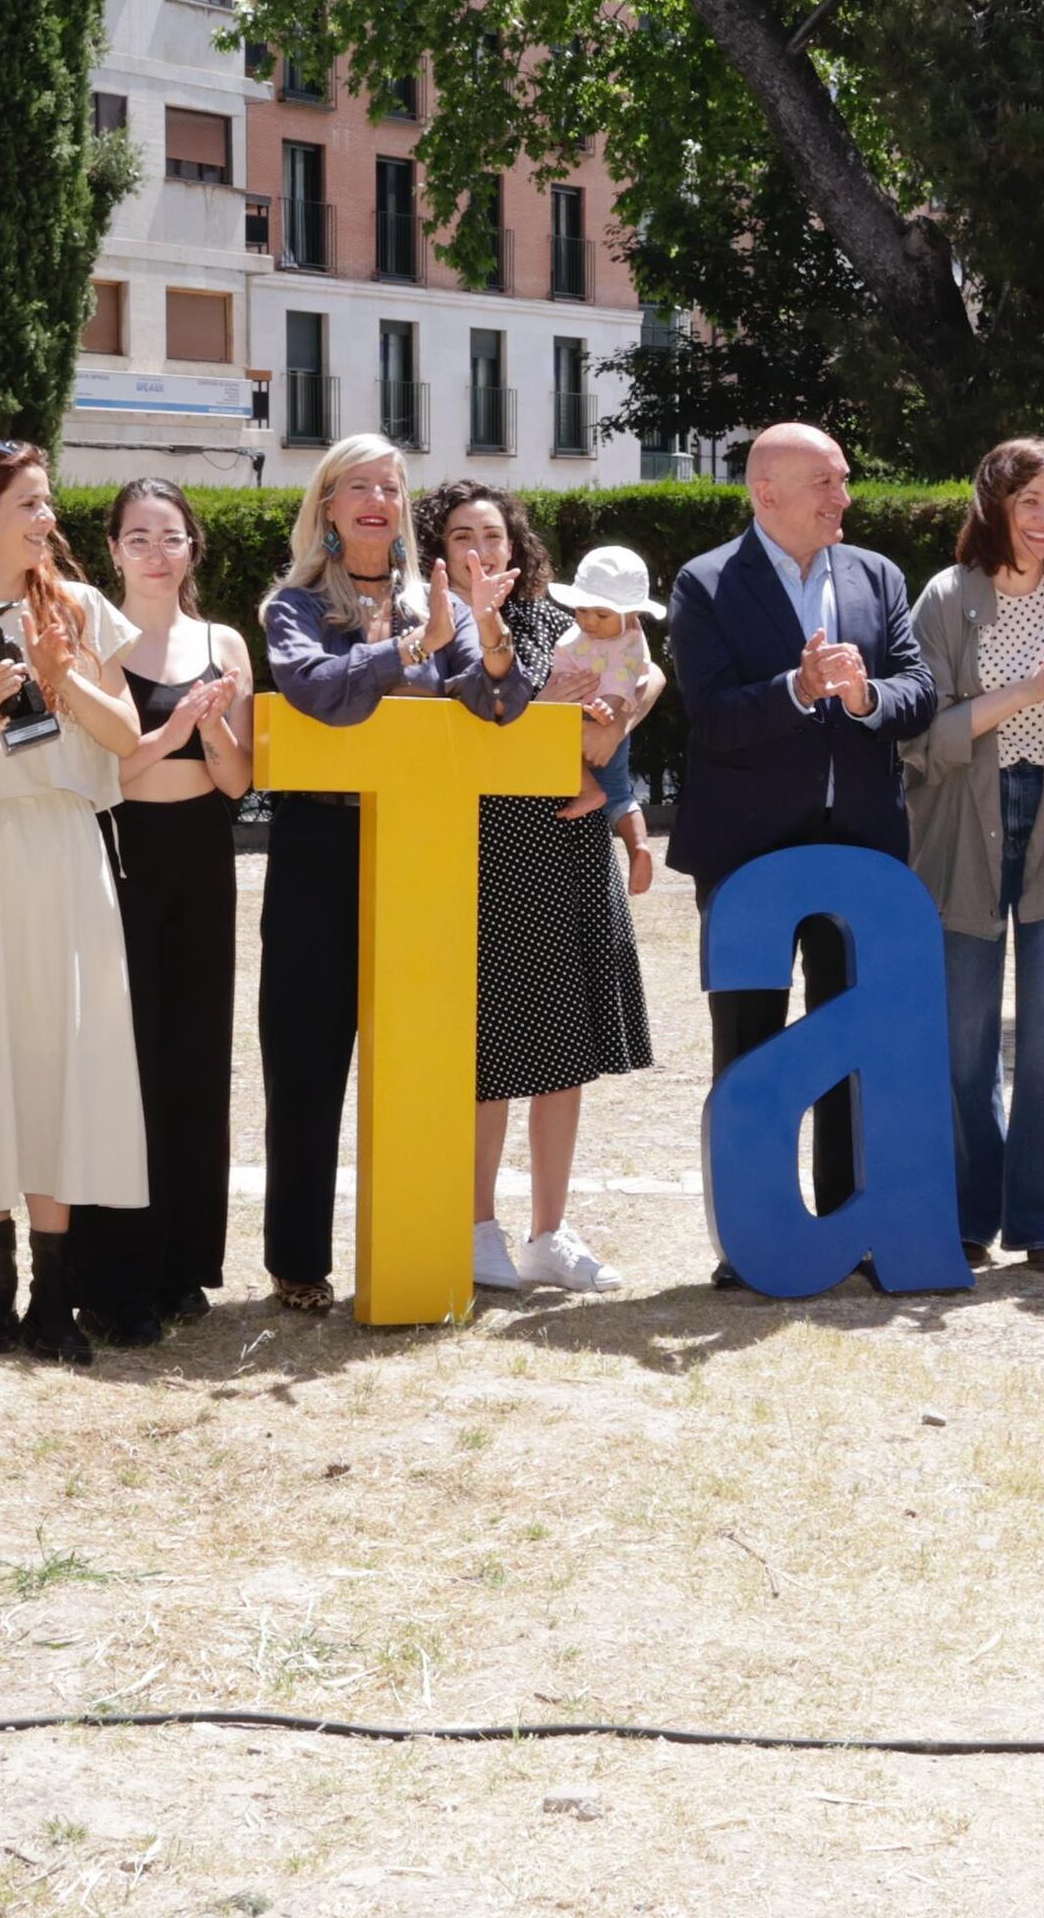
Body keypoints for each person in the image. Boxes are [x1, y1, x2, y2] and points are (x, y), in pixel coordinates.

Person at [0, 438, 153, 1361]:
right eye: (29, 505)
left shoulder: (81, 607)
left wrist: (64, 674)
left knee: (59, 1056)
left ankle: (55, 1293)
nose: (48, 520)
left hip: (57, 844)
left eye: (49, 503)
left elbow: (125, 734)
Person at [255, 435, 518, 1310]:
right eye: (357, 485)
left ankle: (421, 1244)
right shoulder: (292, 606)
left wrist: (488, 639)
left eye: (391, 487)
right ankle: (299, 1262)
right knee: (306, 1056)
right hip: (317, 854)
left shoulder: (436, 600)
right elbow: (316, 691)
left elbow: (497, 708)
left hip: (421, 849)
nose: (376, 499)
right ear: (327, 507)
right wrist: (410, 653)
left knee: (421, 1053)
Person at [667, 422, 936, 1236]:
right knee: (750, 1046)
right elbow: (709, 718)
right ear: (766, 492)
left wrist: (863, 701)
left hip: (859, 847)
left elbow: (918, 688)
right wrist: (796, 687)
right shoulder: (705, 582)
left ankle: (847, 1225)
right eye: (826, 483)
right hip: (749, 854)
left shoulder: (877, 574)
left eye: (844, 480)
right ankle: (750, 1235)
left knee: (849, 1041)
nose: (843, 498)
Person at [905, 438, 1044, 1271]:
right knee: (962, 1042)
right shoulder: (946, 596)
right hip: (964, 825)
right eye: (1030, 501)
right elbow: (924, 739)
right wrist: (1026, 691)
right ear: (994, 503)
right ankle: (970, 1212)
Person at [431, 480, 640, 1294]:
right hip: (485, 852)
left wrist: (616, 730)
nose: (482, 551)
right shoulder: (438, 633)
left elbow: (643, 679)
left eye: (494, 535)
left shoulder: (566, 621)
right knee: (490, 1050)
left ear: (516, 547)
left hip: (568, 841)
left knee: (567, 1049)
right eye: (461, 538)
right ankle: (475, 1226)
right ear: (440, 553)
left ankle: (549, 1233)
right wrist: (543, 709)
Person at [90, 478, 253, 1336]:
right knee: (127, 1059)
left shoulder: (224, 641)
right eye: (140, 538)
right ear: (113, 549)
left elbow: (236, 781)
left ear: (194, 547)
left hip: (203, 853)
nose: (157, 553)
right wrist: (171, 724)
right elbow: (97, 780)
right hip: (122, 855)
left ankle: (188, 1263)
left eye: (172, 537)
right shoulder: (97, 644)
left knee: (196, 1055)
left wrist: (216, 723)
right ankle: (117, 1265)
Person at [555, 543, 674, 901]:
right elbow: (560, 667)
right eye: (582, 610)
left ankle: (639, 845)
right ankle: (598, 797)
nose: (588, 620)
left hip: (607, 721)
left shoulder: (629, 643)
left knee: (620, 792)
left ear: (632, 615)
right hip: (582, 716)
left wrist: (606, 715)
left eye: (601, 614)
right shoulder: (580, 636)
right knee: (615, 792)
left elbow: (622, 686)